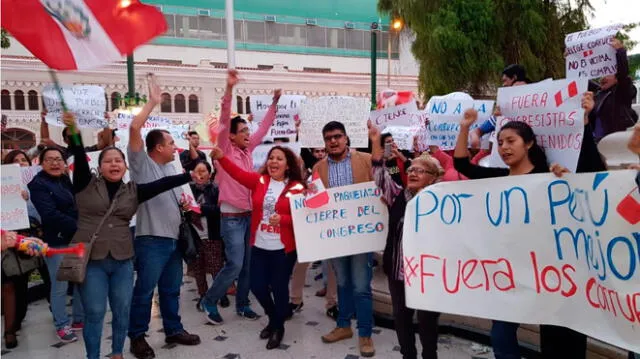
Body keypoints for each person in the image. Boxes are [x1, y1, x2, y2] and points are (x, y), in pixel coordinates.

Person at [63, 112, 195, 359]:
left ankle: (117, 354)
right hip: (93, 259)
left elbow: (161, 185)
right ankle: (94, 355)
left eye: (118, 161)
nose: (114, 164)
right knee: (95, 312)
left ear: (124, 167)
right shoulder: (85, 185)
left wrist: (192, 174)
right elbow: (80, 159)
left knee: (122, 309)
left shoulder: (131, 191)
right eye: (108, 161)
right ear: (99, 167)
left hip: (123, 258)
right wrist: (74, 133)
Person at [453, 109, 564, 359]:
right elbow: (461, 164)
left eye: (511, 141)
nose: (504, 147)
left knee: (553, 337)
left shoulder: (546, 177)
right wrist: (464, 128)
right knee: (501, 335)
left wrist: (563, 178)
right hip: (506, 273)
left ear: (529, 143)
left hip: (542, 272)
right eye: (500, 142)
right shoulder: (498, 177)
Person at [127, 75, 201, 359]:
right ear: (158, 147)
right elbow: (135, 126)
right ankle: (137, 337)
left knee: (172, 290)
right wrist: (153, 103)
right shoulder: (141, 164)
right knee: (145, 293)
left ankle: (173, 329)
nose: (175, 147)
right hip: (151, 241)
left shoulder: (171, 168)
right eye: (171, 143)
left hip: (173, 240)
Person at [200, 69, 280, 324]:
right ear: (231, 135)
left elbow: (265, 128)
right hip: (231, 218)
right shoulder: (224, 149)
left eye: (248, 130)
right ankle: (209, 300)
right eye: (243, 130)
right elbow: (224, 120)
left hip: (250, 216)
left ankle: (243, 304)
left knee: (247, 266)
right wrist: (229, 90)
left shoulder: (248, 151)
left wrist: (275, 103)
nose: (248, 134)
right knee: (234, 264)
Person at [211, 145, 304, 349]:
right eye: (271, 158)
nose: (273, 162)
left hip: (283, 249)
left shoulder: (297, 187)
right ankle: (273, 318)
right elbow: (238, 174)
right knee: (257, 286)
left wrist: (284, 219)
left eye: (279, 159)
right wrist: (222, 159)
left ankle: (278, 328)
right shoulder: (259, 180)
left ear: (288, 165)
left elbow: (303, 215)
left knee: (279, 289)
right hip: (260, 245)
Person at [370, 121, 445, 359]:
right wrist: (377, 144)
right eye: (411, 169)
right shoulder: (398, 195)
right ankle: (407, 355)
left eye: (419, 170)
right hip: (399, 270)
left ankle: (429, 355)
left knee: (427, 321)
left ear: (433, 177)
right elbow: (383, 176)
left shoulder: (445, 202)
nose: (412, 173)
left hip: (429, 274)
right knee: (401, 318)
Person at [314, 121, 376, 358]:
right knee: (341, 283)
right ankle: (343, 326)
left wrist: (389, 158)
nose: (333, 141)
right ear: (324, 142)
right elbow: (314, 200)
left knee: (361, 286)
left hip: (361, 235)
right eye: (328, 138)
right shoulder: (318, 168)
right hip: (335, 236)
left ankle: (365, 334)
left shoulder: (367, 160)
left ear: (346, 138)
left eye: (337, 136)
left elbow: (389, 176)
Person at [28, 146, 84, 343]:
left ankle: (79, 319)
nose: (55, 163)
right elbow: (49, 214)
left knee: (77, 279)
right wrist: (79, 226)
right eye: (50, 159)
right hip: (56, 241)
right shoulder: (38, 184)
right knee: (59, 285)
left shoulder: (64, 179)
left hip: (73, 239)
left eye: (58, 159)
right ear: (41, 163)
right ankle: (61, 324)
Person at [2, 150, 47, 349]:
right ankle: (9, 331)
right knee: (10, 282)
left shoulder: (36, 184)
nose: (20, 164)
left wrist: (27, 197)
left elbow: (41, 212)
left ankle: (18, 317)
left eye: (23, 160)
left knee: (22, 280)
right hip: (5, 238)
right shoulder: (3, 183)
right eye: (15, 161)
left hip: (28, 236)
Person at [188, 161, 229, 309]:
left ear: (209, 174)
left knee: (216, 268)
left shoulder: (215, 190)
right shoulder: (188, 191)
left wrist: (200, 208)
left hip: (212, 235)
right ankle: (203, 296)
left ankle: (220, 294)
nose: (200, 174)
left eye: (203, 171)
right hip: (194, 237)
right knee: (199, 270)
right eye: (197, 171)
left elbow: (220, 210)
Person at [589, 38, 637, 142]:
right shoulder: (598, 92)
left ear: (616, 78)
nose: (602, 78)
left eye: (607, 73)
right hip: (596, 142)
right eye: (601, 74)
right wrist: (571, 59)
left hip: (615, 144)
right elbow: (581, 79)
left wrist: (620, 52)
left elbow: (623, 75)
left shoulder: (621, 92)